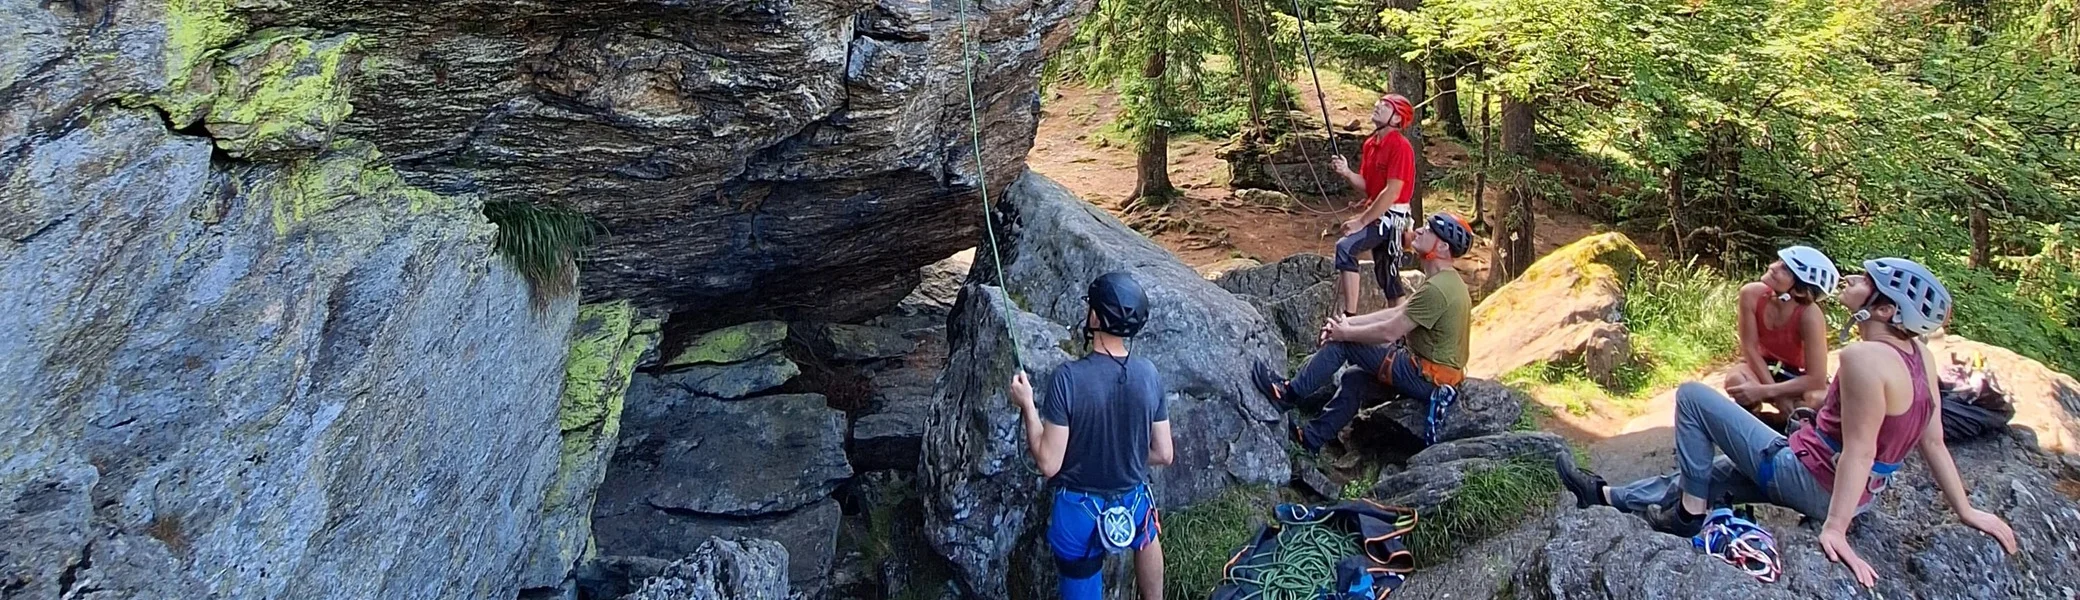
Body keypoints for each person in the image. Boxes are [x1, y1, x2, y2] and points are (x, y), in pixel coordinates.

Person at [1555, 258, 2019, 588]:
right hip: (1852, 493)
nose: (1852, 279)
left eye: (1866, 280)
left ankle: (1688, 514)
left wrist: (1833, 528)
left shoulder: (1862, 357)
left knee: (1693, 399)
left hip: (1811, 479)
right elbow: (1932, 441)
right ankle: (1607, 496)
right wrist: (1966, 510)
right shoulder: (1918, 354)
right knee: (1714, 475)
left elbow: (1859, 450)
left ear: (1884, 310)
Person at [1008, 272, 1175, 600]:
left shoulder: (1068, 378)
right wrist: (1122, 456)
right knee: (1146, 534)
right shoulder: (1149, 374)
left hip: (1079, 512)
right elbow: (1164, 453)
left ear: (1095, 317)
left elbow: (1048, 463)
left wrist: (1027, 405)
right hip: (1133, 500)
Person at [1250, 212, 1474, 452]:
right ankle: (1312, 438)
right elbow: (1394, 314)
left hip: (1427, 377)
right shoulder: (1445, 282)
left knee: (1345, 345)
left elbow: (1390, 331)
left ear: (1442, 246)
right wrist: (1348, 324)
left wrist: (1345, 335)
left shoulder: (1437, 290)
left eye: (1429, 230)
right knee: (1354, 377)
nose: (1419, 230)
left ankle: (1288, 393)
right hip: (1431, 375)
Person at [1726, 246, 1840, 431]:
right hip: (1764, 366)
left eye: (1785, 269)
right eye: (1779, 261)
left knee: (1816, 401)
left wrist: (1766, 391)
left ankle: (1781, 425)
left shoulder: (1809, 315)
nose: (1773, 266)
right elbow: (1750, 348)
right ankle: (1753, 423)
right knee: (1736, 381)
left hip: (1797, 377)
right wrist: (1775, 395)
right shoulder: (1751, 294)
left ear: (1800, 291)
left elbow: (1816, 379)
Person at [1327, 93, 1420, 317]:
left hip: (1392, 217)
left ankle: (1349, 317)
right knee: (1387, 275)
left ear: (1397, 119)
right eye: (1379, 103)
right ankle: (1399, 330)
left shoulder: (1400, 146)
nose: (1378, 106)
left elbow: (1392, 191)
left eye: (1386, 106)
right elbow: (1370, 187)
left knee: (1346, 247)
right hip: (1381, 214)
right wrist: (1347, 173)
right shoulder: (1371, 144)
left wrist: (1362, 221)